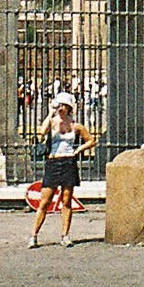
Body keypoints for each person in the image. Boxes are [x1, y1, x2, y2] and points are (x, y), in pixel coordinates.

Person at [29, 91, 96, 248]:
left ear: (69, 107)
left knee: (67, 200)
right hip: (53, 162)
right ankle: (34, 235)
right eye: (59, 105)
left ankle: (65, 235)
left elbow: (91, 140)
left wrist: (78, 150)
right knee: (44, 201)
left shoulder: (75, 125)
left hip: (68, 162)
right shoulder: (53, 122)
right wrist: (51, 112)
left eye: (63, 106)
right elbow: (42, 131)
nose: (61, 108)